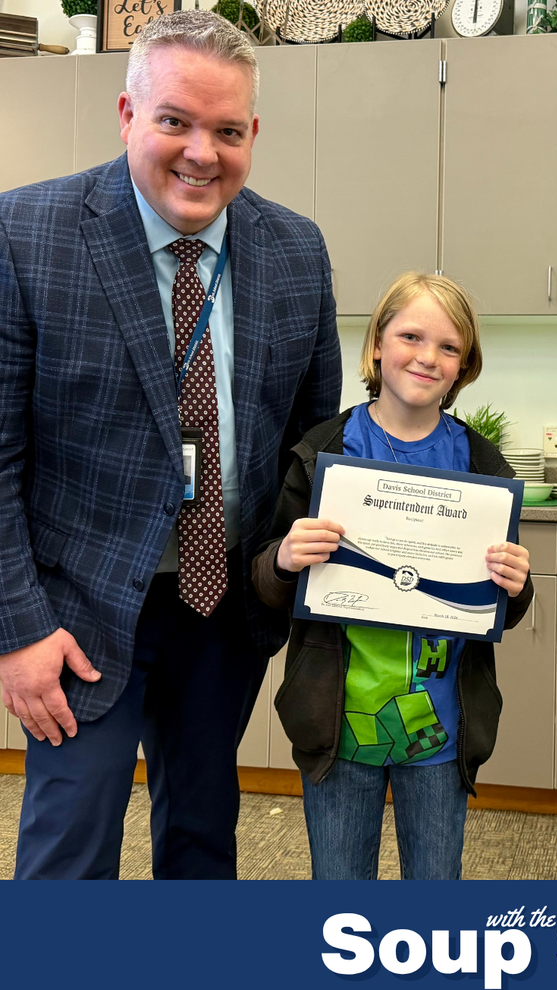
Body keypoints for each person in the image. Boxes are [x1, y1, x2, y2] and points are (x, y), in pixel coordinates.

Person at [0, 10, 341, 879]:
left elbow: (311, 444)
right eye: (175, 122)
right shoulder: (27, 234)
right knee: (70, 851)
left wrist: (276, 590)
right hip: (78, 613)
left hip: (222, 607)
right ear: (127, 116)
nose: (201, 152)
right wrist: (18, 631)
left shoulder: (296, 251)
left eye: (226, 131)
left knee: (200, 838)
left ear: (252, 133)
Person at [252, 272, 533, 879]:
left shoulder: (481, 463)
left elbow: (502, 604)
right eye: (410, 336)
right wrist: (284, 558)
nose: (427, 357)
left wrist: (517, 581)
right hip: (337, 726)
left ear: (465, 366)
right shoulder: (322, 451)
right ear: (378, 343)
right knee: (341, 891)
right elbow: (265, 580)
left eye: (449, 346)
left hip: (439, 730)